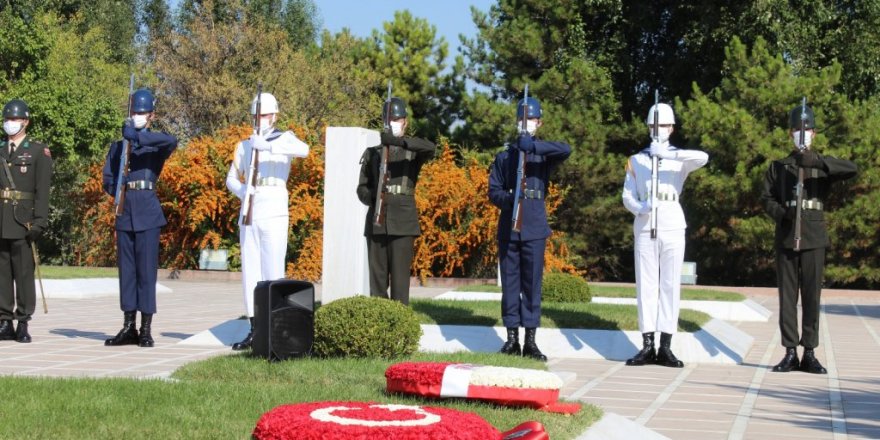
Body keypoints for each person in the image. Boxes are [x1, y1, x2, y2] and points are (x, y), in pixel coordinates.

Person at [761, 103, 857, 374]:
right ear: (790, 133)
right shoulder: (779, 166)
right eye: (796, 130)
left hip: (814, 236)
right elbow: (766, 197)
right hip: (787, 236)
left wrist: (818, 162)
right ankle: (790, 351)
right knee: (788, 297)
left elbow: (852, 169)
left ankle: (810, 352)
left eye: (806, 130)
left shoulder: (822, 164)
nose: (801, 135)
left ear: (814, 133)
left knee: (812, 296)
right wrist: (783, 213)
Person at [621, 101, 708, 368]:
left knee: (670, 285)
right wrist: (640, 207)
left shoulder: (680, 158)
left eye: (664, 125)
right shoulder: (636, 159)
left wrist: (668, 155)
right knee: (646, 285)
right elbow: (626, 195)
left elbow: (703, 158)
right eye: (655, 125)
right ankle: (647, 344)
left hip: (671, 222)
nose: (659, 129)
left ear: (672, 128)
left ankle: (666, 346)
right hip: (646, 223)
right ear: (648, 127)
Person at [489, 96, 571, 361]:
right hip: (509, 227)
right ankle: (512, 338)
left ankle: (531, 341)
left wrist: (533, 145)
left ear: (539, 122)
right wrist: (511, 200)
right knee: (510, 284)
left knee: (532, 284)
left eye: (532, 120)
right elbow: (493, 191)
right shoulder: (505, 157)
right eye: (523, 120)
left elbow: (565, 149)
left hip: (534, 226)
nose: (527, 124)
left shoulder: (542, 156)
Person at [226, 92, 309, 350]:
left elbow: (304, 151)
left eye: (263, 115)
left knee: (273, 269)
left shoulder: (284, 138)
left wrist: (269, 146)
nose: (258, 120)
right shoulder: (245, 144)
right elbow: (231, 178)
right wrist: (242, 191)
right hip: (250, 209)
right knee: (250, 272)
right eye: (255, 115)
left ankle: (277, 327)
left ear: (273, 116)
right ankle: (254, 328)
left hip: (274, 209)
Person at [102, 89, 178, 348]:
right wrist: (118, 192)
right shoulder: (118, 146)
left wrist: (138, 138)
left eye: (142, 113)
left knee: (146, 272)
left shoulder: (155, 146)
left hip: (147, 211)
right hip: (125, 211)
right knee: (127, 273)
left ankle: (145, 329)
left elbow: (171, 141)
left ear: (151, 115)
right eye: (134, 112)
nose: (137, 116)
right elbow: (108, 179)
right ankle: (128, 326)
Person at [356, 97, 435, 305]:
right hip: (377, 222)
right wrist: (374, 196)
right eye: (389, 119)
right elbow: (361, 188)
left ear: (405, 122)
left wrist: (398, 141)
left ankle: (400, 331)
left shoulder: (411, 150)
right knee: (377, 284)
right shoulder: (373, 153)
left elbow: (430, 148)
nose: (393, 123)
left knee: (400, 284)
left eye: (397, 119)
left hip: (403, 221)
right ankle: (380, 330)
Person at [0, 99, 52, 343]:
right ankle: (4, 321)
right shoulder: (0, 149)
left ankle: (22, 323)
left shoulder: (38, 152)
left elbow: (43, 190)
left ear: (25, 122)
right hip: (1, 220)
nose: (10, 123)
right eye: (7, 119)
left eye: (15, 119)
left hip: (23, 221)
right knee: (1, 274)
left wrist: (40, 221)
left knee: (23, 273)